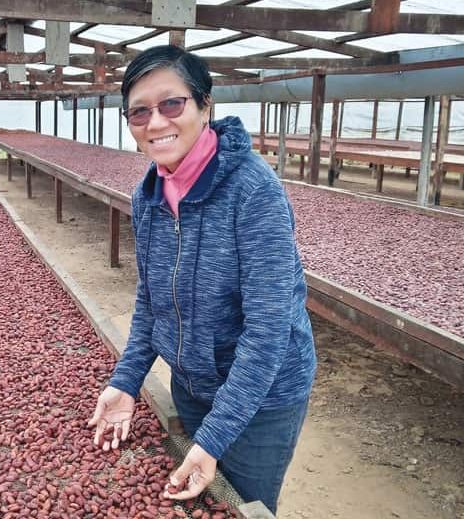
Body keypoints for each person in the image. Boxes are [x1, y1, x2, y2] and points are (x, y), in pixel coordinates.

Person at [87, 45, 316, 514]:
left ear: (205, 105)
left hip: (262, 400)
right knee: (196, 497)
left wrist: (213, 438)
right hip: (191, 384)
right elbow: (152, 300)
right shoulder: (148, 193)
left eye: (172, 104)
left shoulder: (253, 192)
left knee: (241, 503)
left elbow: (268, 331)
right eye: (139, 112)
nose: (156, 122)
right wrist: (126, 382)